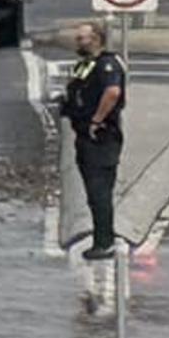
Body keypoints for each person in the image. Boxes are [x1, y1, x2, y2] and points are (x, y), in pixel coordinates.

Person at [60, 22, 127, 261]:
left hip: (100, 137)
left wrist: (96, 121)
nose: (77, 42)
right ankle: (103, 235)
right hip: (85, 135)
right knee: (94, 191)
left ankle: (104, 242)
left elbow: (113, 93)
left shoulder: (107, 65)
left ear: (96, 39)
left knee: (99, 190)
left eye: (82, 38)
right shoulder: (85, 66)